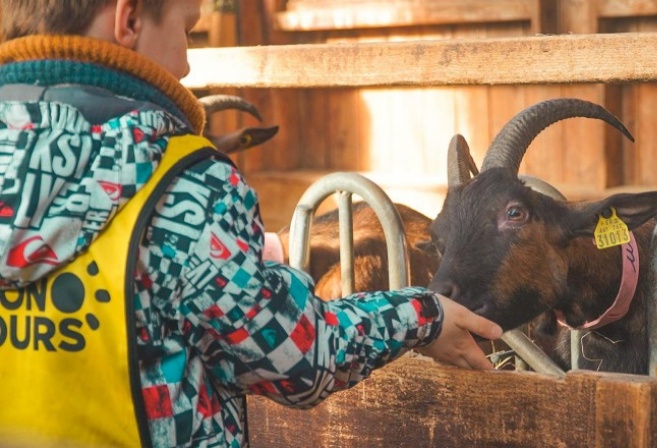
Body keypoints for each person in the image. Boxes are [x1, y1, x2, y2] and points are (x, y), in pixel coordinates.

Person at [0, 1, 503, 447]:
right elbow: (299, 357)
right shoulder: (185, 186)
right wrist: (423, 315)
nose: (186, 62)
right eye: (187, 29)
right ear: (128, 19)